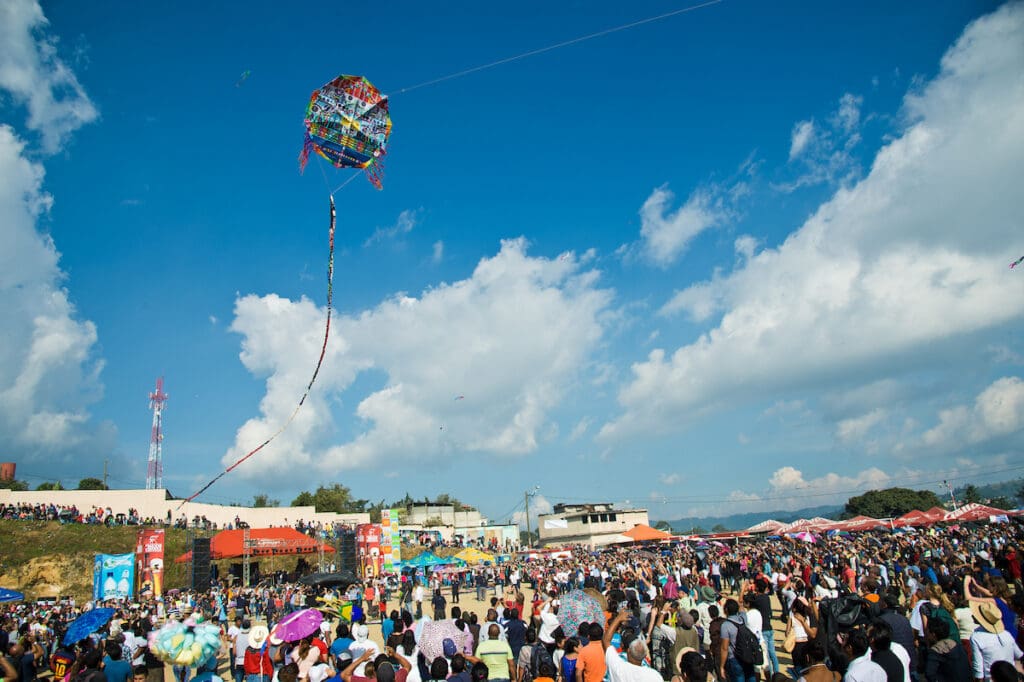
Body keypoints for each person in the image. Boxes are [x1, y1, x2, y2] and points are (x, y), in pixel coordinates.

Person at [968, 601, 1022, 682]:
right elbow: (1019, 655)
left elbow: (978, 669)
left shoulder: (976, 637)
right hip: (1010, 678)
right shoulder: (1006, 634)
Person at [602, 611, 662, 682]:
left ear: (629, 651)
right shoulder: (654, 676)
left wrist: (618, 618)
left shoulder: (619, 668)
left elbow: (606, 640)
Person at [717, 599, 754, 682]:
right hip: (747, 655)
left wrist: (722, 666)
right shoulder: (743, 619)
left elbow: (724, 648)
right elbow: (741, 607)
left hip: (734, 658)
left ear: (726, 610)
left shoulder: (725, 626)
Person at [923, 618, 970, 682]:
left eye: (928, 631)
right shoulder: (958, 646)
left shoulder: (936, 651)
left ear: (933, 634)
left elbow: (930, 674)